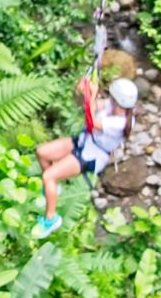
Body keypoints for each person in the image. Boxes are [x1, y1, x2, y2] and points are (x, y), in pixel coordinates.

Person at [33, 75, 138, 237]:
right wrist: (87, 91)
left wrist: (93, 94)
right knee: (42, 152)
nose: (111, 100)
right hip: (83, 141)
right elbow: (91, 107)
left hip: (93, 155)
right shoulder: (113, 105)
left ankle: (51, 219)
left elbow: (92, 122)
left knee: (48, 176)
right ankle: (52, 191)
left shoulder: (122, 122)